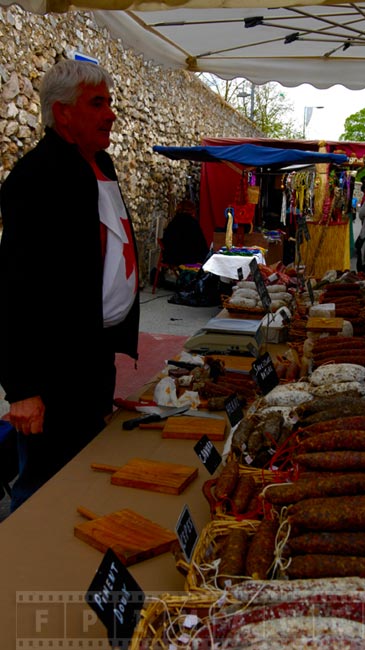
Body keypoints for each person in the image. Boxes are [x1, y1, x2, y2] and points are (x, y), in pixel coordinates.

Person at [0, 59, 140, 511]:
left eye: (110, 103)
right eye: (97, 103)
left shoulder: (101, 165)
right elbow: (14, 286)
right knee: (40, 488)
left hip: (91, 359)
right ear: (63, 114)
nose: (111, 114)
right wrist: (22, 389)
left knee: (81, 477)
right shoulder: (34, 178)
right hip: (52, 370)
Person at [161, 199, 209, 267]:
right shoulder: (192, 223)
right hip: (190, 259)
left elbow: (166, 241)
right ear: (191, 210)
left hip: (172, 258)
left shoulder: (173, 222)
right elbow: (201, 244)